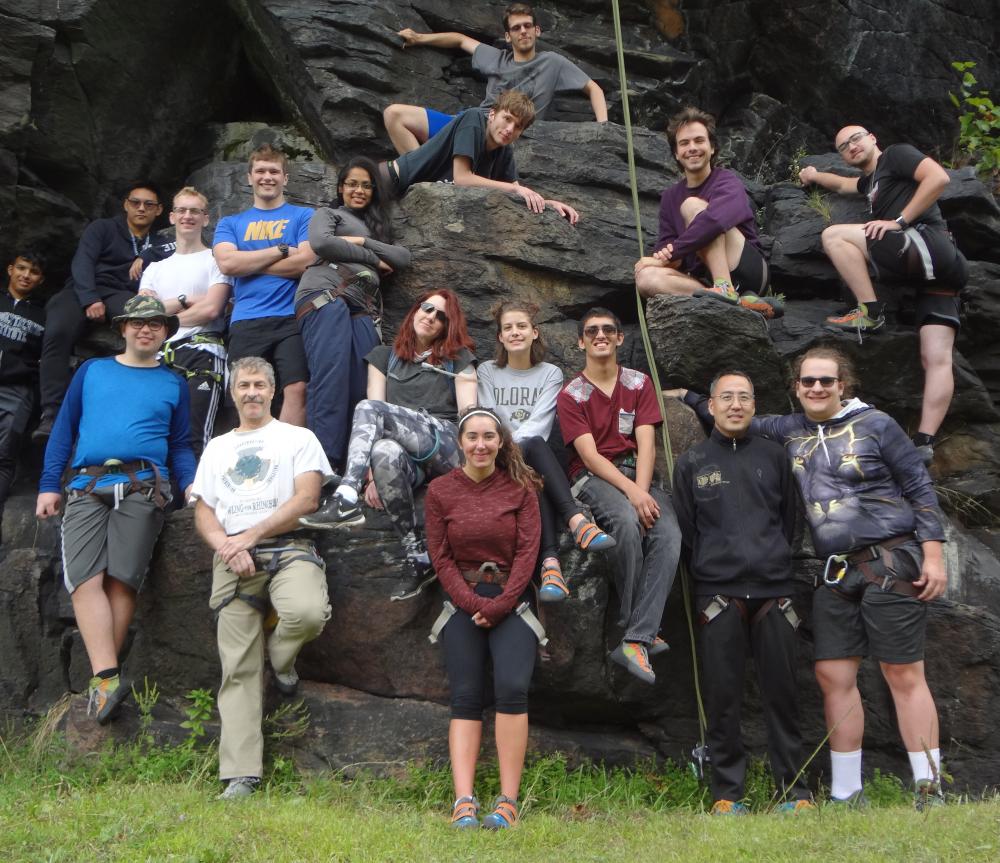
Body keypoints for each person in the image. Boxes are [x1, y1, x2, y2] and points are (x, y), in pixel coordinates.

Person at [677, 345, 948, 809]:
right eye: (808, 381)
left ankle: (930, 788)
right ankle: (845, 792)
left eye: (826, 380)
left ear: (843, 385)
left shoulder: (877, 424)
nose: (817, 388)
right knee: (831, 674)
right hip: (834, 572)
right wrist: (684, 394)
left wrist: (934, 553)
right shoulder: (788, 429)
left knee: (902, 672)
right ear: (796, 388)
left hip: (890, 558)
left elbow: (919, 485)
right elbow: (726, 411)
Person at [35, 295, 196, 724]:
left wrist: (191, 484)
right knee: (83, 578)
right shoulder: (92, 371)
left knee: (122, 580)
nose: (146, 329)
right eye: (138, 323)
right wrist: (48, 485)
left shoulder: (174, 382)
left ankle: (102, 683)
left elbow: (180, 444)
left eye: (156, 324)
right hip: (86, 483)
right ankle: (107, 677)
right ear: (123, 328)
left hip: (144, 484)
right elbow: (63, 430)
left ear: (165, 333)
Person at [191, 356, 333, 801]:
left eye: (259, 385)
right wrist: (226, 546)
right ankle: (240, 775)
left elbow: (307, 499)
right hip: (233, 559)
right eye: (243, 385)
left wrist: (250, 536)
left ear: (272, 391)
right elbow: (203, 510)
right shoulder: (217, 448)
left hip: (290, 547)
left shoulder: (297, 437)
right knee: (237, 667)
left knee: (307, 613)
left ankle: (282, 660)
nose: (251, 392)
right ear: (232, 393)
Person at [672, 370, 813, 815]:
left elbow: (790, 521)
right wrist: (714, 567)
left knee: (784, 694)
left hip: (775, 590)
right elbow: (687, 531)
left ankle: (794, 791)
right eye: (727, 397)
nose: (736, 405)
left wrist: (773, 563)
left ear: (754, 405)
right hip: (718, 593)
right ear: (711, 405)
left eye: (744, 398)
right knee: (722, 696)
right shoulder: (693, 461)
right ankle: (728, 793)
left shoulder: (775, 456)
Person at [799, 126, 968, 464]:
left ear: (873, 137)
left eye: (856, 139)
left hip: (924, 241)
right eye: (843, 146)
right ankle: (924, 441)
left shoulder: (896, 154)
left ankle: (871, 311)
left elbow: (938, 177)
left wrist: (899, 221)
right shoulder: (870, 182)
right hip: (942, 274)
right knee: (936, 358)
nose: (851, 147)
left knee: (834, 236)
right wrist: (815, 175)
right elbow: (844, 185)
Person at [300, 290, 477, 600]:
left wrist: (477, 471)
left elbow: (469, 417)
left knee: (369, 408)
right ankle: (417, 555)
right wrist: (373, 474)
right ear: (415, 310)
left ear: (447, 326)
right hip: (407, 456)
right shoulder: (384, 357)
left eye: (441, 316)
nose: (431, 317)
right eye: (427, 308)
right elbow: (374, 421)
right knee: (384, 450)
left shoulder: (459, 359)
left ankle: (346, 495)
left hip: (447, 446)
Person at [424, 406, 543, 830]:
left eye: (489, 436)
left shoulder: (521, 488)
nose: (480, 445)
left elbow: (528, 553)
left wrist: (500, 605)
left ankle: (508, 802)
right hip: (463, 599)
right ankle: (464, 801)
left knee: (512, 689)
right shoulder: (440, 491)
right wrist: (472, 602)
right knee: (465, 695)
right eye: (472, 437)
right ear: (460, 442)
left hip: (512, 600)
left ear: (501, 441)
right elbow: (440, 556)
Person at [556, 308, 681, 684]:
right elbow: (589, 456)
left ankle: (635, 638)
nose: (600, 335)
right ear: (580, 342)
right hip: (594, 477)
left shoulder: (639, 383)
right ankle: (638, 630)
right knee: (625, 523)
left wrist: (642, 492)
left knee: (669, 534)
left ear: (620, 338)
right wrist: (633, 496)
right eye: (591, 331)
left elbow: (647, 443)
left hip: (637, 474)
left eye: (608, 329)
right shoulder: (571, 394)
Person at [477, 300, 614, 601]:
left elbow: (539, 424)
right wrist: (509, 447)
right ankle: (576, 520)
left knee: (533, 468)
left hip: (529, 459)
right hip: (495, 454)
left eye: (521, 326)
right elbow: (489, 420)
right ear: (500, 336)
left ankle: (550, 566)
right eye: (508, 328)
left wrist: (519, 451)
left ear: (534, 332)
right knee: (534, 448)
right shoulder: (486, 371)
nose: (515, 332)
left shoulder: (550, 374)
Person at [296, 156, 411, 470]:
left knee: (364, 382)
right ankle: (324, 466)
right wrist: (372, 258)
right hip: (326, 293)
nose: (359, 190)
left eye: (366, 185)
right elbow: (321, 243)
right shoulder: (327, 214)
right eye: (352, 184)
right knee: (330, 375)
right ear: (340, 188)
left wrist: (361, 240)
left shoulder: (376, 227)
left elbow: (402, 258)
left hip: (363, 306)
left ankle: (355, 464)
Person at [34, 182, 172, 438]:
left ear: (159, 210)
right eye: (135, 202)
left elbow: (178, 247)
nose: (141, 208)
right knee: (58, 331)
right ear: (126, 205)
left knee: (146, 324)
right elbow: (83, 261)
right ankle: (51, 413)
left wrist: (148, 255)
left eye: (149, 204)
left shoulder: (159, 241)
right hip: (82, 289)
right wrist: (90, 299)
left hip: (122, 293)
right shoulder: (103, 228)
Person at [384, 2, 607, 155]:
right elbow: (460, 40)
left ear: (537, 30)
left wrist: (603, 130)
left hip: (508, 133)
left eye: (528, 26)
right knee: (394, 115)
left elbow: (594, 89)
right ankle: (423, 173)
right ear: (508, 36)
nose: (523, 31)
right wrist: (419, 38)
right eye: (516, 28)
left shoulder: (553, 62)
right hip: (471, 123)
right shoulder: (496, 57)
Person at [634, 107, 777, 317]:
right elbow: (670, 249)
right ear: (676, 153)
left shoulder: (727, 181)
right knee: (646, 279)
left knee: (692, 206)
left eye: (699, 141)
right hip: (705, 281)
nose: (692, 148)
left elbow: (715, 222)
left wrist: (672, 252)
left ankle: (725, 287)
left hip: (747, 271)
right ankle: (738, 303)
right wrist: (666, 258)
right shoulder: (670, 197)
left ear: (712, 148)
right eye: (684, 143)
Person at [213, 144, 315, 426]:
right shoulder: (230, 223)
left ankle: (286, 451)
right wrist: (281, 250)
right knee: (245, 390)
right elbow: (227, 264)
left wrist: (248, 263)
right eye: (260, 171)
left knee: (297, 388)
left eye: (274, 171)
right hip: (246, 319)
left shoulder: (303, 216)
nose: (267, 177)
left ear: (285, 178)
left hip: (292, 318)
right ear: (249, 177)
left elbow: (306, 262)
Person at [380, 90, 579, 223]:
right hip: (387, 180)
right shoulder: (473, 119)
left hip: (405, 197)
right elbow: (462, 178)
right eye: (507, 119)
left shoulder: (504, 150)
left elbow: (516, 191)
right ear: (492, 114)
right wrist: (516, 189)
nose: (510, 129)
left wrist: (547, 204)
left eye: (518, 126)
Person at [139, 186, 232, 458]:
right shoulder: (155, 268)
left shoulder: (216, 260)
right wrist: (185, 299)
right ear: (171, 216)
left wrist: (163, 316)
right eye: (181, 210)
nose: (187, 216)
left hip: (202, 353)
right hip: (158, 358)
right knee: (152, 435)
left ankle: (192, 487)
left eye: (195, 211)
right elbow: (143, 314)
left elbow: (211, 309)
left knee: (194, 438)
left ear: (206, 218)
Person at [0, 251, 46, 545]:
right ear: (10, 269)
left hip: (18, 391)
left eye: (33, 271)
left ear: (41, 280)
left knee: (4, 455)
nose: (26, 275)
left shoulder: (44, 314)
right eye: (21, 268)